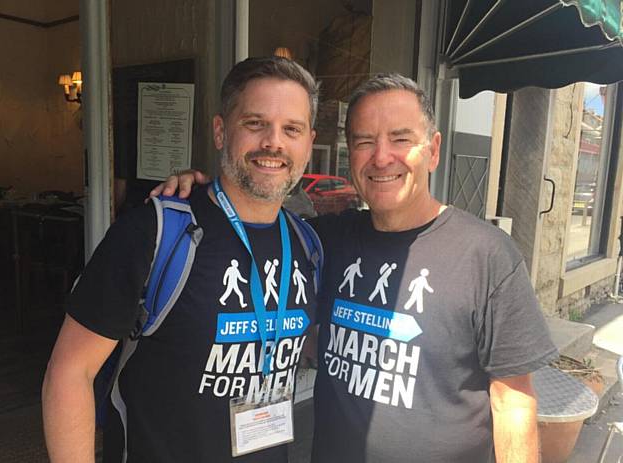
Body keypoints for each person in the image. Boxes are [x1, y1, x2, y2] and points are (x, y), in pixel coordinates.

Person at [154, 73, 558, 463]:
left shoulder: (486, 255)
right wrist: (201, 191)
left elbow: (513, 400)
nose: (382, 158)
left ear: (433, 150)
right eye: (365, 141)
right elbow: (250, 222)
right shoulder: (321, 241)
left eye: (401, 139)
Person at [42, 56, 321, 463]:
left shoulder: (307, 243)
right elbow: (69, 374)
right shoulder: (155, 234)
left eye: (291, 129)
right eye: (255, 123)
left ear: (309, 142)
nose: (273, 142)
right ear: (221, 131)